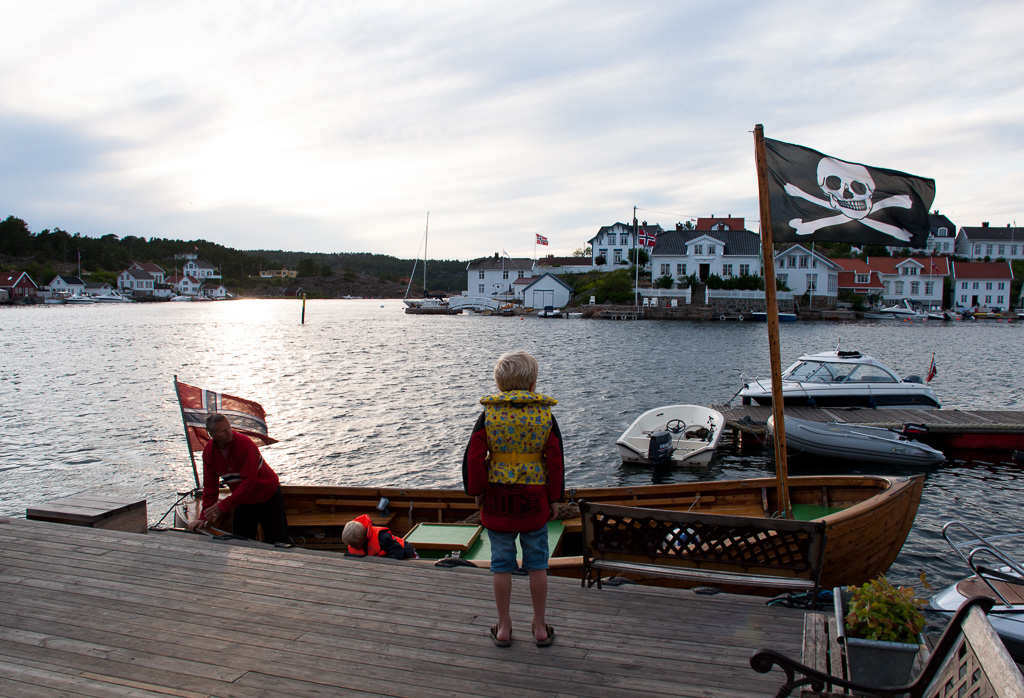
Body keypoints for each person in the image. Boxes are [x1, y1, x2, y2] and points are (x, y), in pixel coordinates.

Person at [462, 350, 564, 647]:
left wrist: (479, 491)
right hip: (534, 499)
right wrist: (554, 498)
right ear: (532, 384)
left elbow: (475, 458)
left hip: (498, 498)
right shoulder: (545, 415)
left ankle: (504, 626)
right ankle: (540, 626)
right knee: (537, 564)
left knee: (501, 563)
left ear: (499, 385)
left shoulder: (489, 415)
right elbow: (555, 461)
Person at [187, 413, 290, 544]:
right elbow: (210, 487)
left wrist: (223, 506)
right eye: (223, 431)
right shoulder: (209, 453)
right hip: (243, 499)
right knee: (241, 541)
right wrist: (203, 517)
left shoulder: (244, 444)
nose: (229, 432)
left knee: (279, 540)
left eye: (229, 428)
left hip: (267, 495)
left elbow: (249, 483)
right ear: (212, 435)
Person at [342, 514, 417, 559]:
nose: (353, 546)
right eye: (351, 545)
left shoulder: (382, 538)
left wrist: (385, 562)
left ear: (364, 538)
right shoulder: (355, 541)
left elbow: (397, 551)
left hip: (405, 551)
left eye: (355, 545)